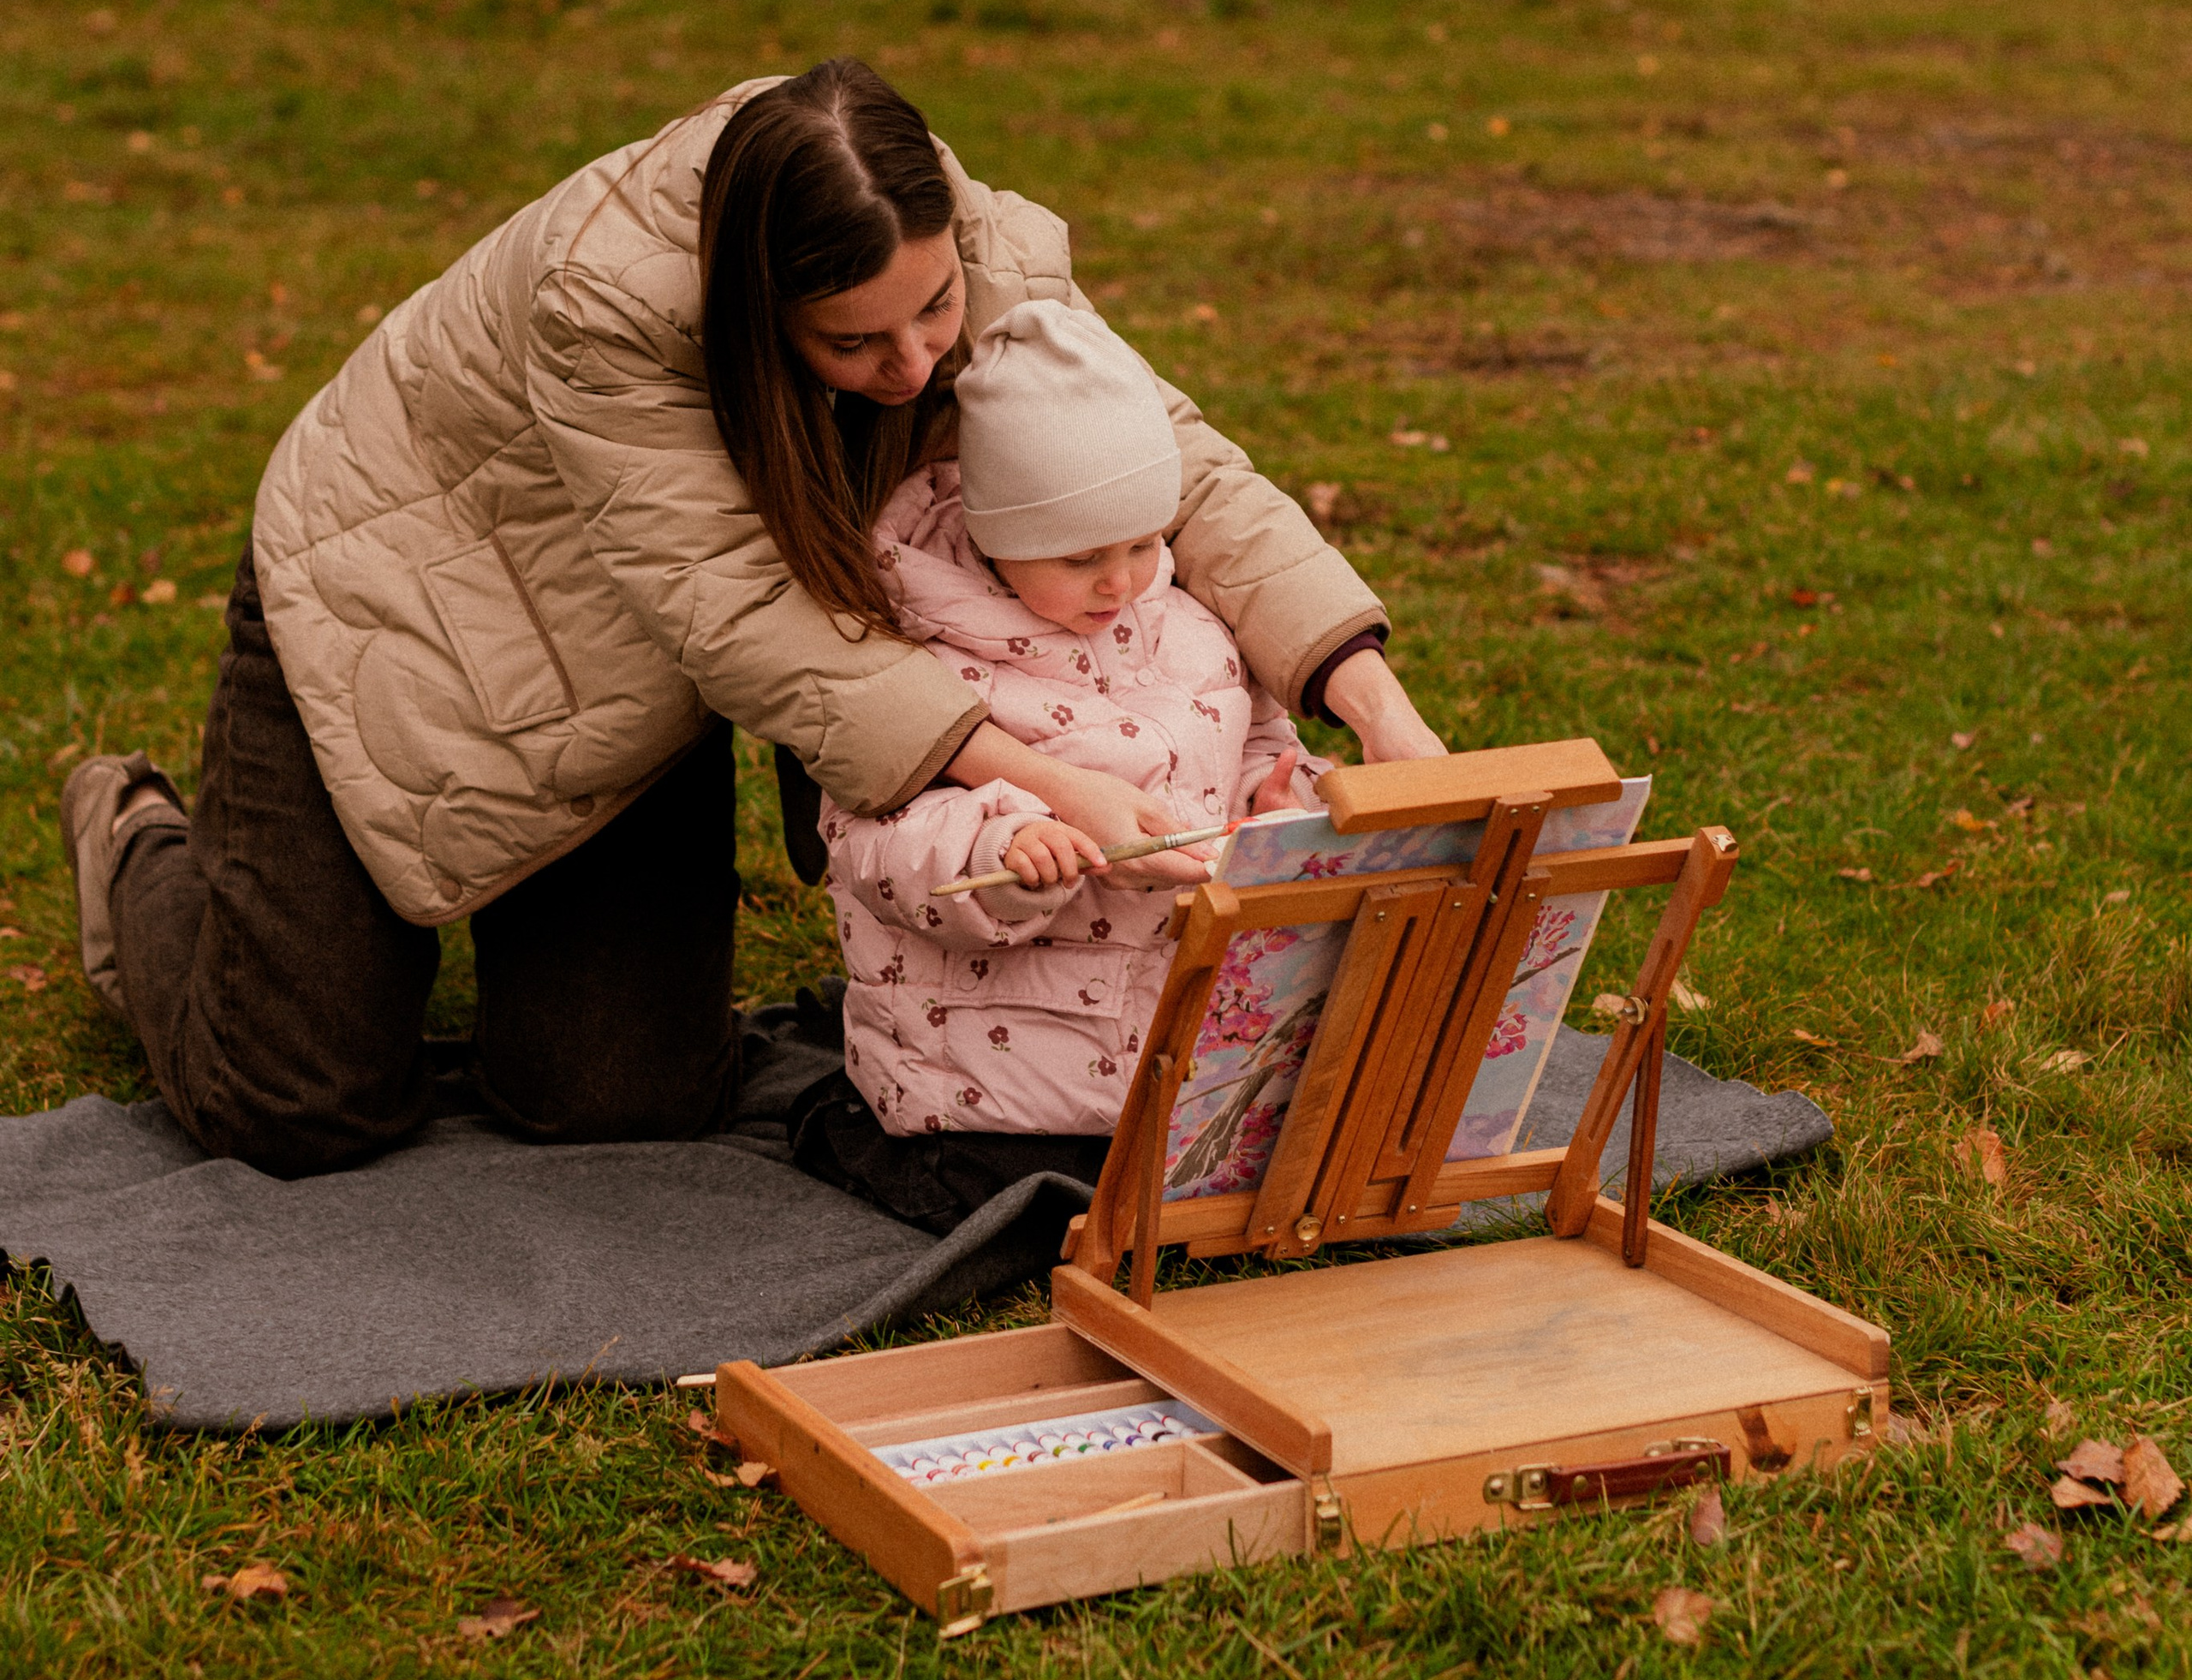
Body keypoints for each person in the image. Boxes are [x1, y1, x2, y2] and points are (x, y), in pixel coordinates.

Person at [59, 58, 1440, 1181]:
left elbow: (1173, 467)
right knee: (292, 1103)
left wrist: (1371, 699)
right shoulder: (606, 306)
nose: (919, 365)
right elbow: (748, 618)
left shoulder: (970, 241)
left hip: (627, 671)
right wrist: (1052, 781)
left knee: (614, 1100)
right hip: (399, 599)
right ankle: (134, 836)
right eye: (856, 342)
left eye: (937, 309)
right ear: (754, 310)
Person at [790, 303, 1326, 1232]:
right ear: (993, 535)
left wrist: (1278, 795)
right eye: (1081, 558)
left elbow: (1252, 739)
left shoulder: (1188, 624)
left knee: (1232, 1181)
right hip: (990, 1071)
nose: (1121, 581)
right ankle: (863, 1137)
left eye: (1143, 542)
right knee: (1023, 1200)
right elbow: (874, 841)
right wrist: (1003, 850)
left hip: (1173, 1045)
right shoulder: (913, 660)